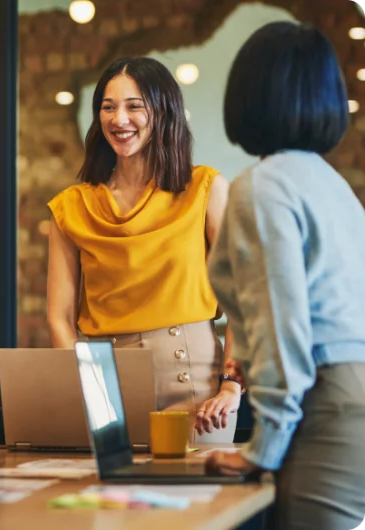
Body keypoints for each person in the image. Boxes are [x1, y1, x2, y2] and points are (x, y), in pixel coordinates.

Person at [204, 21, 365, 528]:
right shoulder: (331, 183)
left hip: (329, 405)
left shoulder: (264, 187)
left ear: (249, 94)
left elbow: (281, 324)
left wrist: (261, 448)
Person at [46, 57, 239, 443]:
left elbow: (244, 301)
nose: (120, 119)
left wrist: (231, 386)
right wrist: (90, 387)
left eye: (135, 106)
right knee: (106, 501)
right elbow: (59, 318)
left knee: (191, 502)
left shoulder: (204, 188)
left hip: (194, 382)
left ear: (163, 110)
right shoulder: (71, 205)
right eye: (108, 106)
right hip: (104, 377)